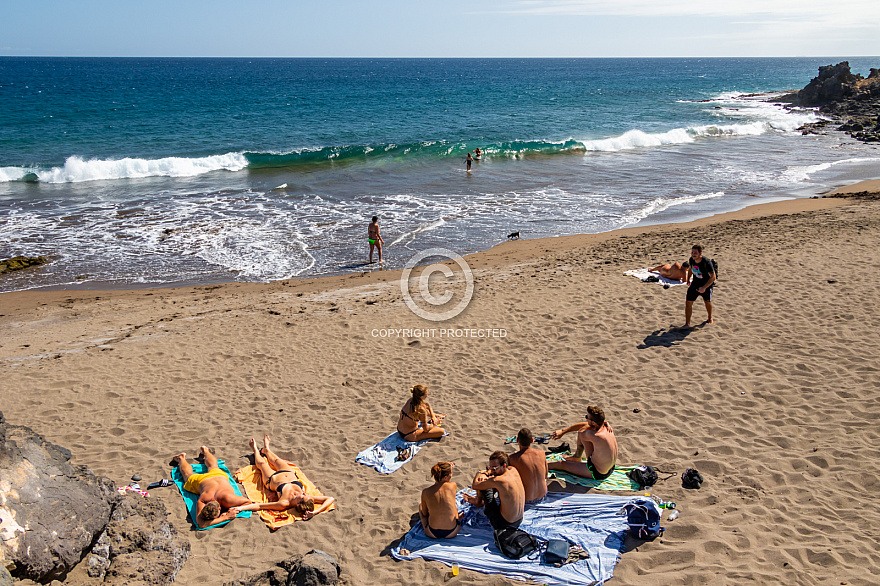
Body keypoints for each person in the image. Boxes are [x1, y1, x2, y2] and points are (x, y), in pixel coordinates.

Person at [234, 435, 335, 520]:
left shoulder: (284, 503)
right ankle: (266, 449)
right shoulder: (308, 498)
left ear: (298, 503)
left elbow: (260, 506)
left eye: (303, 495)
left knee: (261, 463)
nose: (304, 493)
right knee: (276, 460)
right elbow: (330, 498)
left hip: (271, 479)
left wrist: (240, 509)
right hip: (288, 472)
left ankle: (255, 449)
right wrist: (316, 512)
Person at [172, 446, 252, 528]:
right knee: (213, 466)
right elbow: (201, 524)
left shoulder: (207, 499)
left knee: (188, 475)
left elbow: (201, 523)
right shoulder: (206, 500)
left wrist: (227, 515)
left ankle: (181, 458)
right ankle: (205, 451)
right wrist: (226, 517)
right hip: (217, 476)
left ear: (220, 508)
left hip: (207, 480)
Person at [547, 405, 618, 480]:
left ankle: (540, 464)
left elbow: (581, 432)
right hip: (611, 468)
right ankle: (576, 457)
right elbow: (585, 425)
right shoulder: (607, 427)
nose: (586, 419)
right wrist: (563, 431)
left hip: (598, 473)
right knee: (585, 430)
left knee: (561, 464)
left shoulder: (595, 435)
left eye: (587, 417)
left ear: (594, 423)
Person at [464, 451, 525, 530]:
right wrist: (489, 471)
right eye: (490, 467)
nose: (492, 470)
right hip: (519, 519)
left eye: (494, 468)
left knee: (484, 485)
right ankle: (478, 500)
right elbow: (494, 474)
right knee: (491, 482)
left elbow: (475, 486)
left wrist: (480, 473)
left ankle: (478, 502)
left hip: (504, 524)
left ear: (504, 465)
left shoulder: (498, 481)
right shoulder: (513, 470)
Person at [419, 462, 461, 539]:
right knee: (453, 504)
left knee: (421, 506)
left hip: (432, 532)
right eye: (451, 473)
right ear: (445, 477)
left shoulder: (426, 492)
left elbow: (425, 513)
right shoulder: (452, 485)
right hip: (452, 531)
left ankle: (425, 526)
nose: (451, 475)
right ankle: (458, 519)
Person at [508, 428, 549, 504]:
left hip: (526, 500)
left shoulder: (512, 458)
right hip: (543, 495)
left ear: (517, 440)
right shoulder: (541, 453)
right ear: (532, 440)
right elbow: (546, 475)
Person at [683, 244, 716, 326]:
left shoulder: (707, 262)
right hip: (695, 283)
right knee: (688, 302)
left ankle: (710, 317)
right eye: (692, 252)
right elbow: (691, 269)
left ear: (700, 254)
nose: (693, 254)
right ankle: (687, 323)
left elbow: (713, 277)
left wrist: (704, 288)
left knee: (707, 302)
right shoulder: (691, 260)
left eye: (695, 253)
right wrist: (688, 279)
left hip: (706, 284)